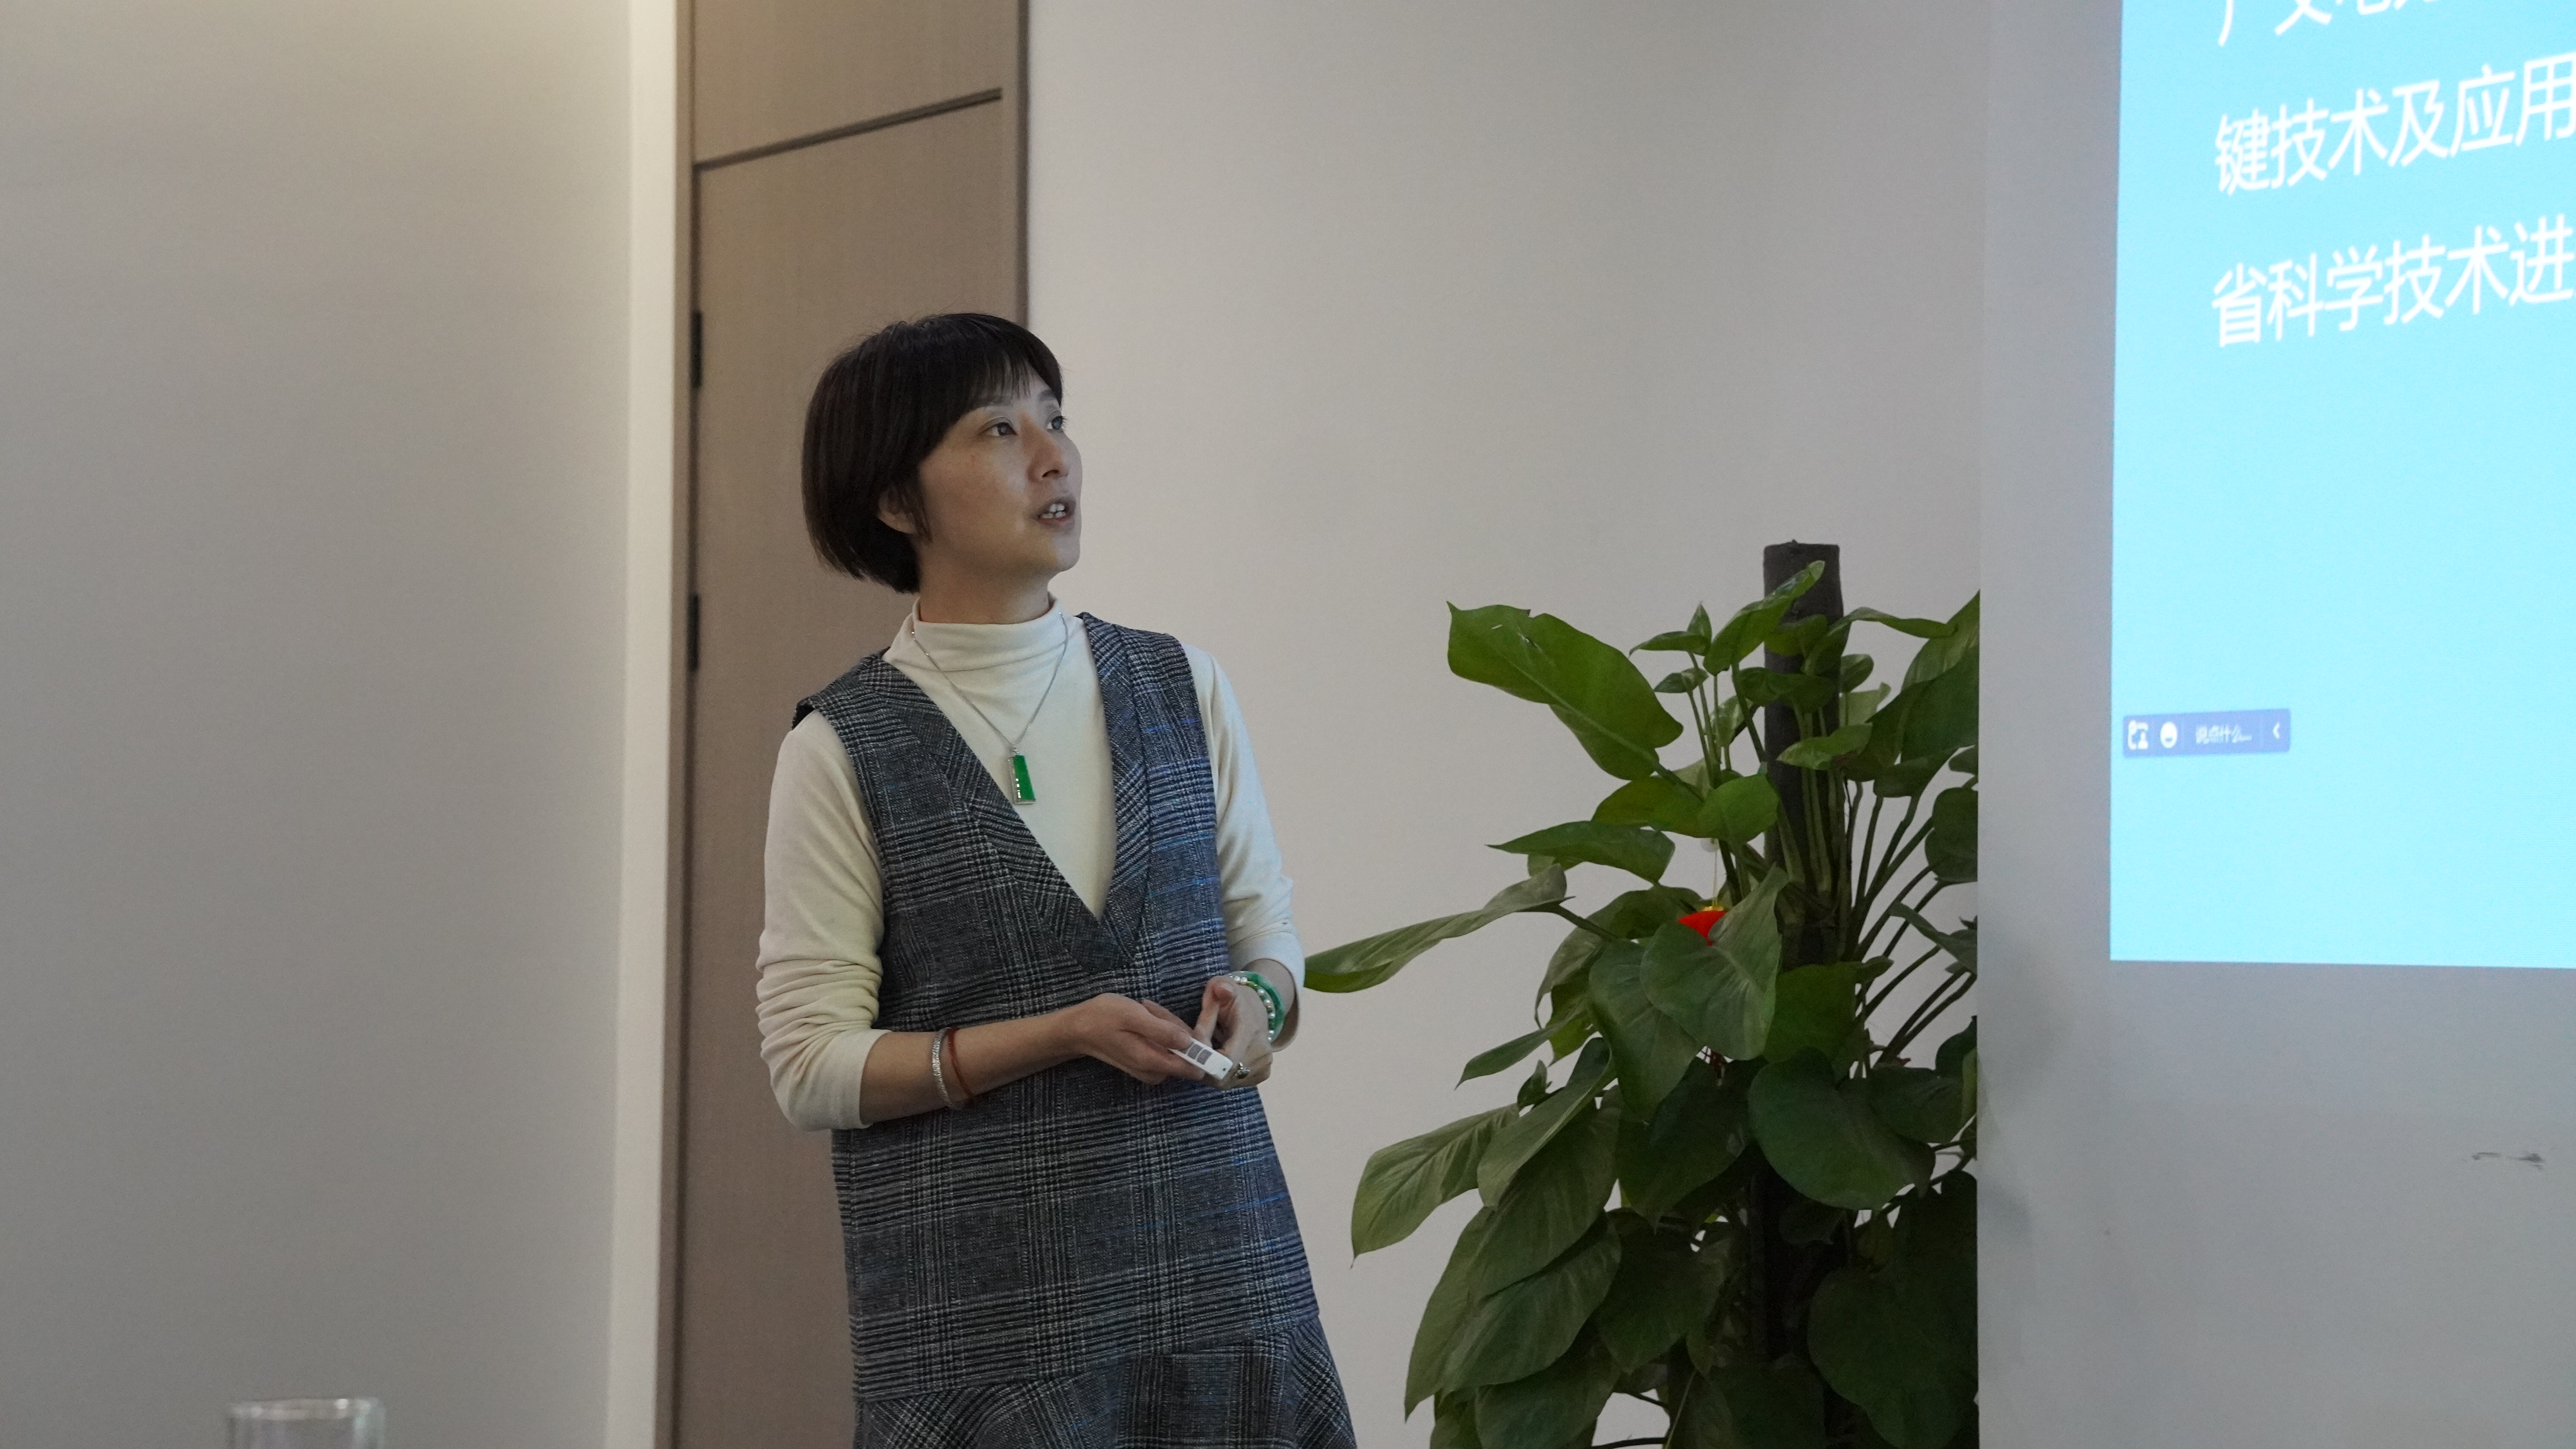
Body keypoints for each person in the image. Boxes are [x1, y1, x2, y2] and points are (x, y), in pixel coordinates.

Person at [754, 313, 1355, 1446]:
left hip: (1226, 1274)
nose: (1052, 457)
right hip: (987, 1322)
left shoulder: (1182, 684)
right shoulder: (842, 747)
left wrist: (1260, 1004)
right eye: (998, 429)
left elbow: (1269, 941)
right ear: (897, 502)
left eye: (1056, 419)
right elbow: (807, 1066)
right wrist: (1060, 1034)